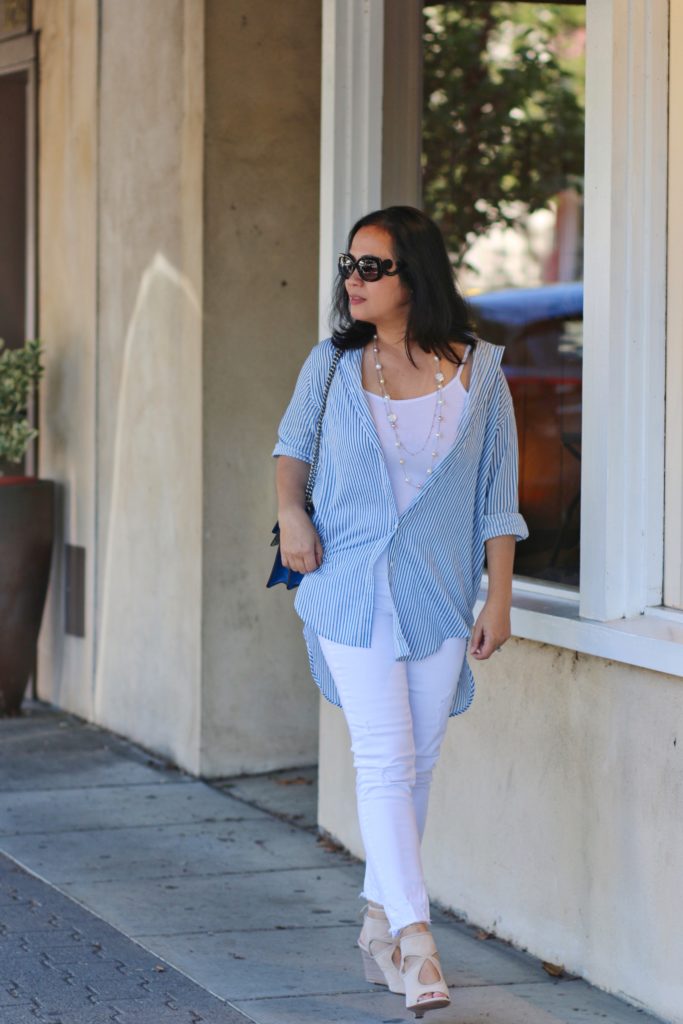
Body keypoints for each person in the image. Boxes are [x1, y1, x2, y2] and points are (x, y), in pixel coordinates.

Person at [272, 206, 529, 1017]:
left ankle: (379, 919)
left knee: (417, 763)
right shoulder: (330, 365)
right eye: (350, 265)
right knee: (384, 757)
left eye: (372, 267)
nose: (352, 279)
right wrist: (292, 515)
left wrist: (500, 595)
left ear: (416, 276)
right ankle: (417, 943)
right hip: (348, 587)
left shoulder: (481, 372)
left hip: (437, 593)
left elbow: (497, 497)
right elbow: (292, 450)